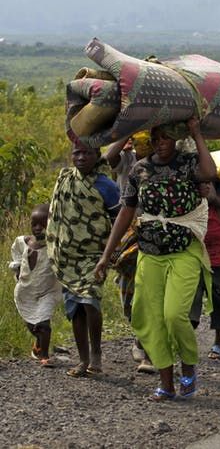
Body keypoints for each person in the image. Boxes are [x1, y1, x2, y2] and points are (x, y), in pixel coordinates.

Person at [94, 119, 217, 402]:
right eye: (155, 137)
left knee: (174, 315)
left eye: (165, 137)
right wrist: (106, 256)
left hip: (184, 250)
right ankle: (166, 383)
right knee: (151, 318)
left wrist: (197, 133)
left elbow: (210, 172)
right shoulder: (140, 169)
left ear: (175, 138)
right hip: (150, 254)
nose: (160, 142)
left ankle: (188, 367)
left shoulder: (188, 163)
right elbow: (126, 212)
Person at [47, 142, 120, 378]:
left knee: (90, 300)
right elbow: (56, 215)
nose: (80, 157)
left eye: (86, 153)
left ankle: (96, 353)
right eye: (76, 152)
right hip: (67, 256)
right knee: (75, 309)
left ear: (96, 156)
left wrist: (113, 251)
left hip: (94, 255)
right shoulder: (66, 180)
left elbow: (119, 217)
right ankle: (83, 359)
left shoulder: (106, 185)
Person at [103, 131, 155, 372]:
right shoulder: (127, 161)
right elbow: (108, 157)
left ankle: (150, 346)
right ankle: (140, 335)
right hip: (128, 235)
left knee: (151, 293)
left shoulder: (162, 161)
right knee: (129, 295)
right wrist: (124, 133)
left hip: (155, 235)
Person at [8, 204, 61, 367]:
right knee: (33, 326)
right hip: (26, 291)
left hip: (47, 292)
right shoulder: (24, 241)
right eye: (34, 224)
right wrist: (17, 267)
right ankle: (38, 344)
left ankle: (44, 356)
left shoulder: (54, 246)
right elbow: (16, 249)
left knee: (44, 324)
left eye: (42, 224)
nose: (38, 228)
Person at [189, 180, 220, 360]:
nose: (206, 187)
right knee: (192, 300)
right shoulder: (194, 206)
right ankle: (186, 342)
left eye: (210, 184)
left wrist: (211, 196)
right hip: (196, 259)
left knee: (219, 301)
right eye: (203, 184)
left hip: (219, 261)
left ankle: (218, 344)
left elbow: (217, 200)